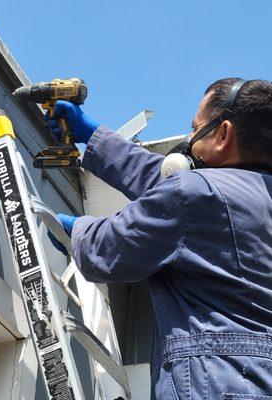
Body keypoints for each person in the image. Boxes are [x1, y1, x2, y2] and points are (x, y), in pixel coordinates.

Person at [46, 78, 272, 399]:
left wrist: (72, 229)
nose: (189, 139)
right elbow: (168, 187)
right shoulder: (245, 197)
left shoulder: (193, 195)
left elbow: (110, 250)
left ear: (223, 135)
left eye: (195, 129)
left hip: (220, 381)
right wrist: (91, 135)